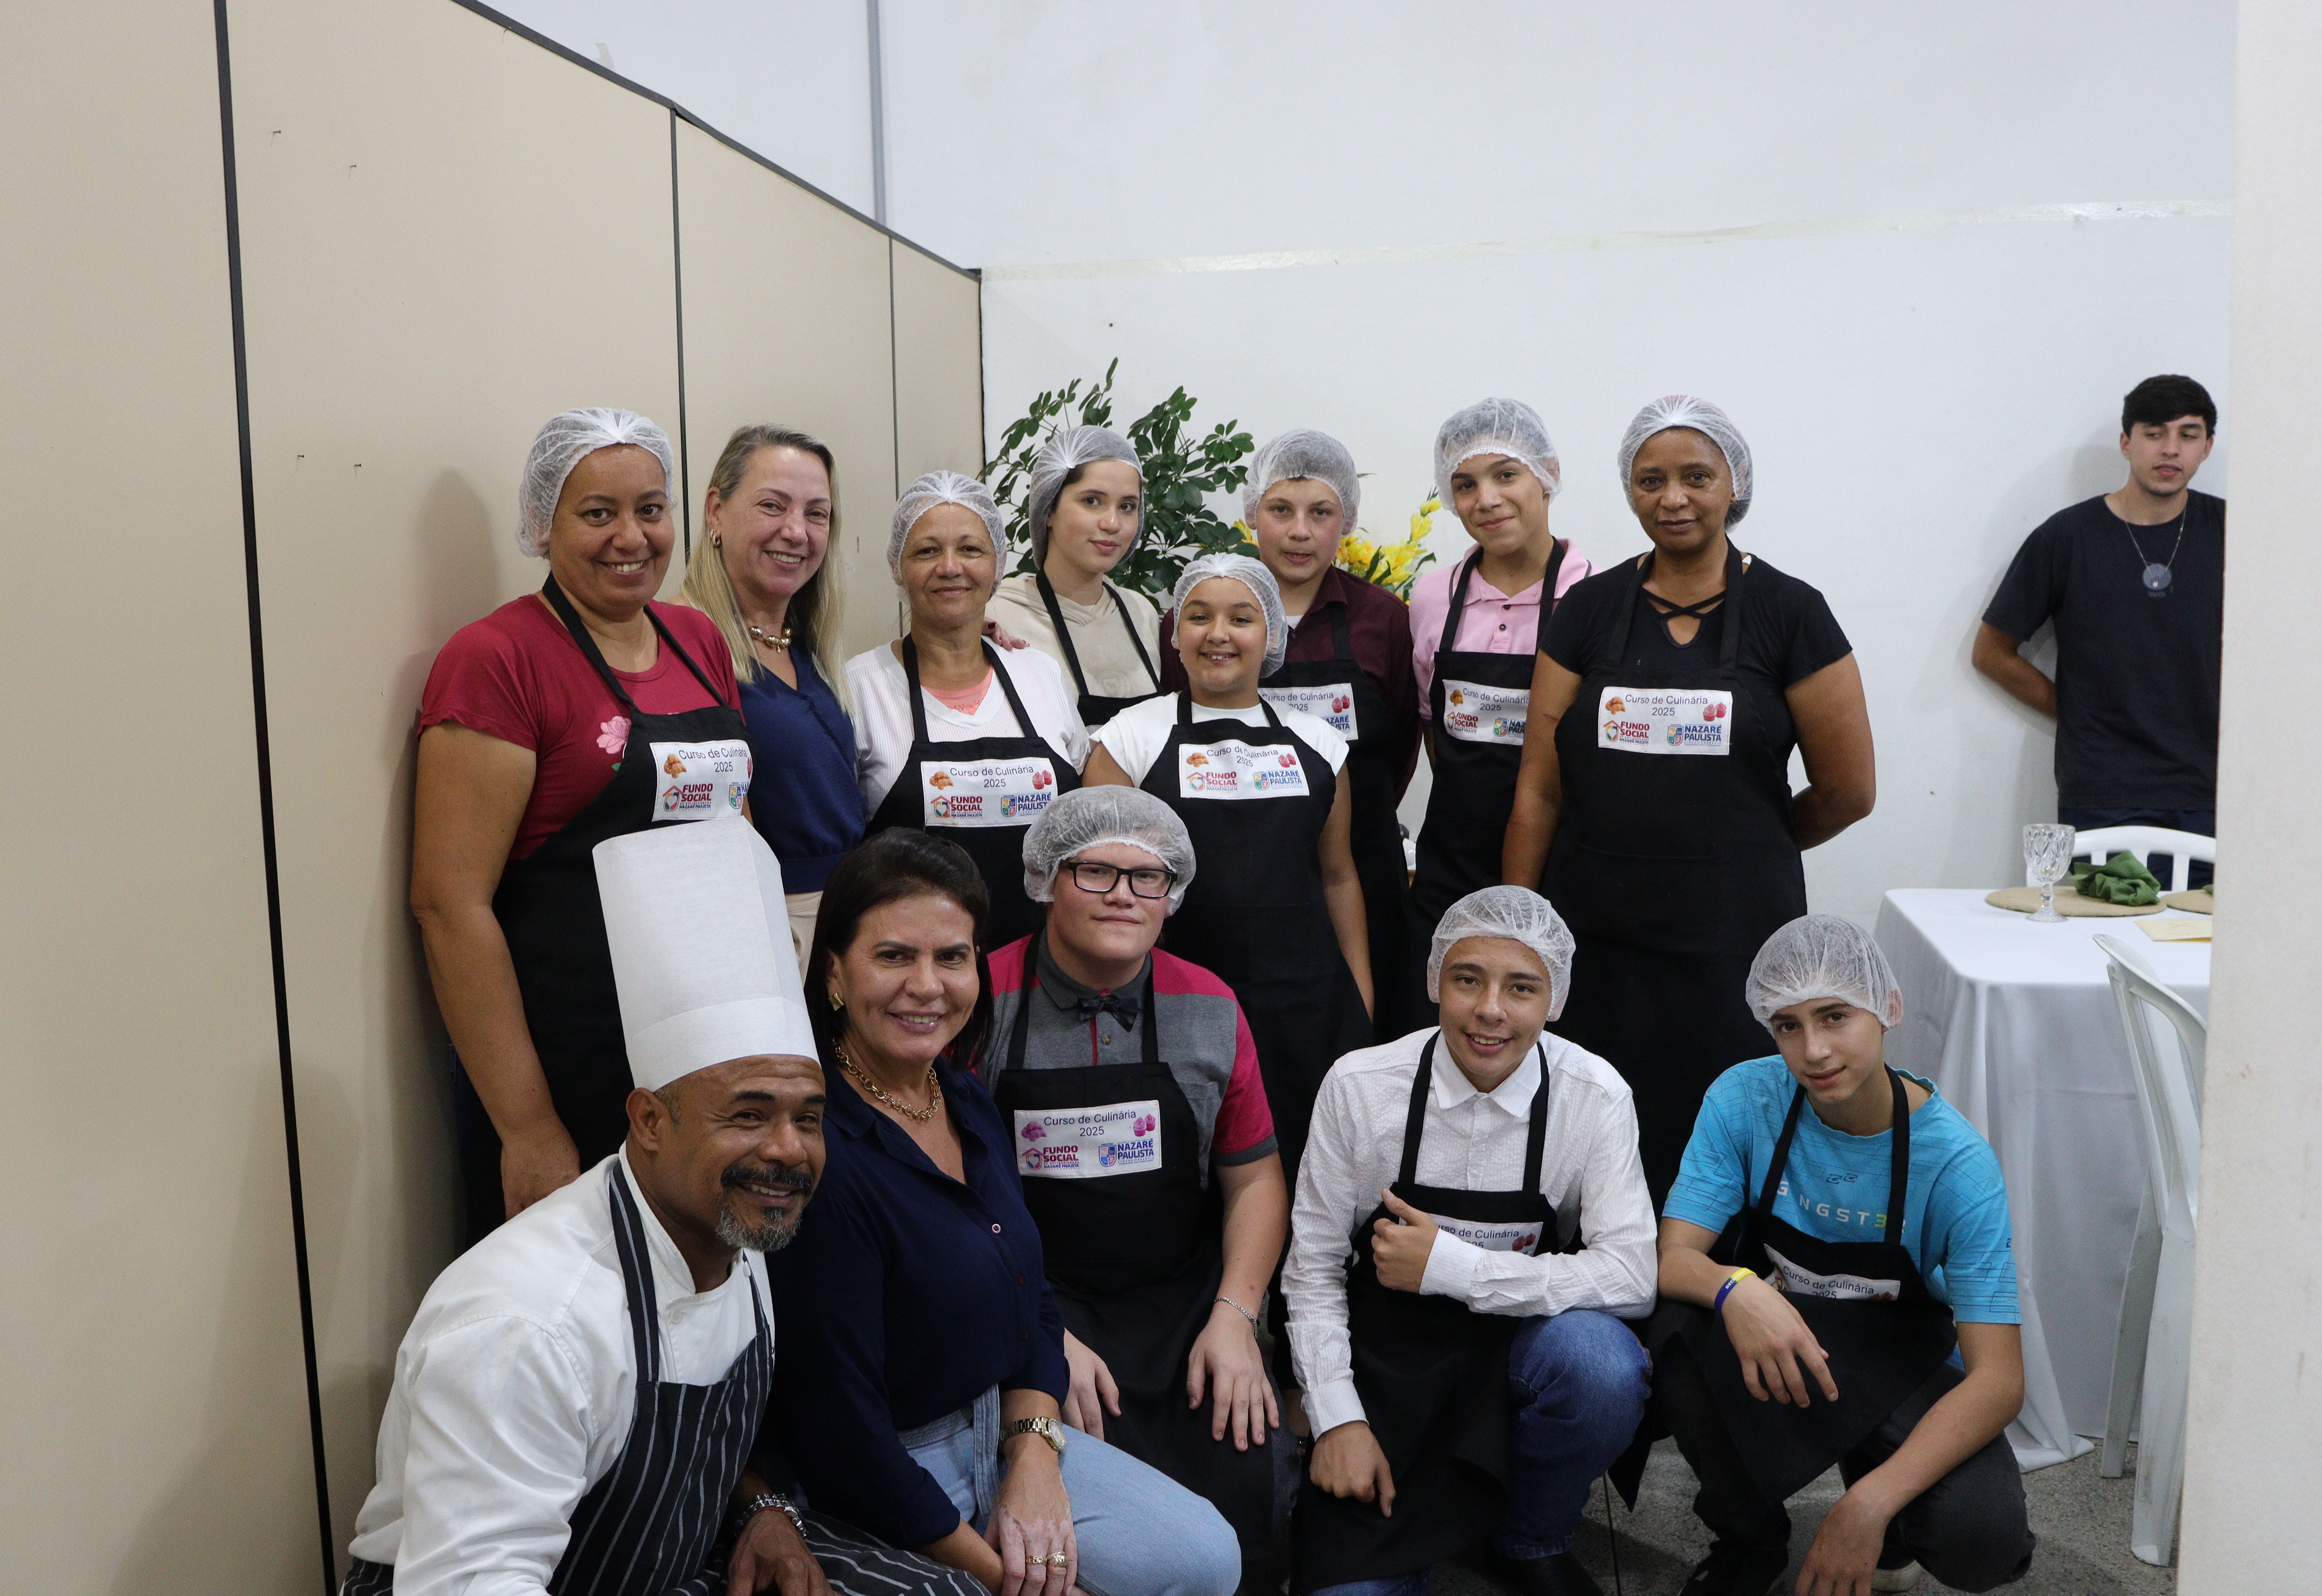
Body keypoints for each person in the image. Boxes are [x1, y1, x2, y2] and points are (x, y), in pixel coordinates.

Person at [346, 817, 980, 1596]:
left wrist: (763, 1508)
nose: (786, 1149)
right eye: (746, 1115)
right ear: (648, 1119)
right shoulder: (529, 1321)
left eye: (807, 1116)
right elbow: (468, 1582)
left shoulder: (737, 1230)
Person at [763, 830, 1242, 1596]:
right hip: (886, 1473)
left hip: (999, 1430)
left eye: (951, 958)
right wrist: (1000, 1577)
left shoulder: (961, 1100)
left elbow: (1031, 1300)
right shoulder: (822, 1153)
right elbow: (842, 1441)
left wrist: (1032, 1456)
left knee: (1208, 1560)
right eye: (894, 957)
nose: (927, 985)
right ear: (832, 975)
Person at [1503, 396, 1875, 1204]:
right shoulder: (1587, 610)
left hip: (1731, 938)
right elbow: (1537, 784)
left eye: (1694, 477)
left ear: (1732, 483)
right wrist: (1519, 924)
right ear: (1629, 491)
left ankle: (1714, 1293)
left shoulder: (1790, 612)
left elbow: (1848, 790)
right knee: (1594, 1131)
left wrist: (1751, 843)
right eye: (1650, 479)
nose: (1672, 497)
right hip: (1597, 936)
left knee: (1725, 1135)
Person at [413, 408, 752, 1243]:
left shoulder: (697, 638)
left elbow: (737, 831)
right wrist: (528, 1127)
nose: (630, 536)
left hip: (701, 1044)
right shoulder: (498, 658)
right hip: (571, 1056)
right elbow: (449, 906)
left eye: (650, 508)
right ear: (542, 523)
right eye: (597, 512)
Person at [1648, 917, 2034, 1596]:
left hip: (1900, 1354)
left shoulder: (1957, 1164)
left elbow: (1998, 1379)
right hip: (1779, 1334)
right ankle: (1748, 1536)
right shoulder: (1744, 1099)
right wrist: (1738, 1291)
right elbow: (1669, 1258)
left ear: (1887, 1008)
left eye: (1833, 1017)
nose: (1813, 1051)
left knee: (1982, 1538)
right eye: (1787, 1026)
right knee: (1667, 1327)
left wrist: (1869, 1504)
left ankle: (1879, 1500)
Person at [1286, 887, 1655, 1596]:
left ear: (1555, 998)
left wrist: (1453, 1268)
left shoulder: (1593, 1094)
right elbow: (1311, 1270)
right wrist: (1335, 1419)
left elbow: (1633, 1275)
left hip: (1514, 1354)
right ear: (1433, 982)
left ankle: (1530, 1536)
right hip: (1387, 1368)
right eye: (1467, 979)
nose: (1490, 1009)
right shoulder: (1361, 1087)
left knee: (1600, 1367)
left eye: (1521, 988)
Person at [983, 787, 1294, 1578]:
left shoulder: (1209, 1004)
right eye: (1094, 870)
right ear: (1047, 876)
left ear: (1172, 895)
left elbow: (1254, 1178)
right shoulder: (978, 997)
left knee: (1243, 1483)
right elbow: (947, 1196)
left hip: (1182, 1305)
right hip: (1031, 1298)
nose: (1123, 892)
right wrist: (1034, 1333)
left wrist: (1234, 1316)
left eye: (1146, 877)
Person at [1084, 551, 1373, 1187]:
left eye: (1240, 618)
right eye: (1198, 616)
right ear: (1175, 634)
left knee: (1306, 1174)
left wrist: (1360, 995)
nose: (1217, 634)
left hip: (1306, 1005)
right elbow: (1093, 893)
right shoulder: (1128, 739)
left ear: (1269, 633)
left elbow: (1338, 876)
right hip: (1171, 1002)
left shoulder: (1320, 743)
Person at [1162, 430, 1427, 1037]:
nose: (1300, 531)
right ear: (1252, 515)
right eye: (1281, 510)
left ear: (1347, 522)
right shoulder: (1195, 619)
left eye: (1321, 513)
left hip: (1358, 864)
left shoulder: (1383, 620)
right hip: (1229, 879)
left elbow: (1400, 747)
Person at [1973, 375, 2223, 869]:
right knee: (2103, 937)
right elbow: (1991, 653)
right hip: (2102, 788)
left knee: (2200, 944)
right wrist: (2078, 713)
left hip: (2212, 787)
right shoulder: (2066, 537)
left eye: (2188, 434)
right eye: (2154, 433)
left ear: (2207, 447)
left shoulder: (2235, 534)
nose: (2170, 449)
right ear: (2126, 443)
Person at [848, 472, 1088, 946]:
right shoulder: (860, 685)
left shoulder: (1040, 674)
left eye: (971, 549)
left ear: (998, 564)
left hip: (1043, 974)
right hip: (920, 976)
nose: (950, 567)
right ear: (898, 567)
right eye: (927, 551)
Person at [1408, 399, 1596, 936]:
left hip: (1565, 865)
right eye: (1464, 484)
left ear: (1547, 475)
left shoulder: (1595, 598)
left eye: (1505, 474)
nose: (1486, 499)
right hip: (1450, 865)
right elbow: (1431, 726)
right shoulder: (1431, 597)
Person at [678, 424, 862, 966]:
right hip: (765, 932)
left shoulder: (806, 649)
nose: (796, 531)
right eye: (772, 506)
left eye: (816, 514)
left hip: (845, 925)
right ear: (715, 511)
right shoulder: (681, 643)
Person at [988, 425, 1166, 725]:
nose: (1113, 523)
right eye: (1092, 501)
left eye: (1127, 507)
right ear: (1048, 510)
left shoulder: (1142, 614)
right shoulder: (997, 615)